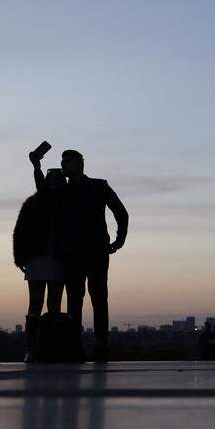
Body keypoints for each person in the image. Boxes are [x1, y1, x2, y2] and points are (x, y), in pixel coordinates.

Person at [56, 149, 129, 363]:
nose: (63, 166)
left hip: (95, 252)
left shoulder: (98, 186)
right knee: (76, 302)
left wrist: (119, 240)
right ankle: (76, 346)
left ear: (79, 164)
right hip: (74, 254)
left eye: (67, 162)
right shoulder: (63, 191)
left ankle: (101, 345)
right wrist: (37, 169)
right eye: (62, 162)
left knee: (97, 299)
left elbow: (121, 213)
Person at [15, 165, 68, 362]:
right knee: (36, 303)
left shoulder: (66, 204)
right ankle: (32, 348)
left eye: (57, 180)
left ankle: (47, 347)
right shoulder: (36, 204)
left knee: (53, 304)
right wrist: (21, 256)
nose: (54, 184)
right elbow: (20, 230)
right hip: (38, 258)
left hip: (57, 258)